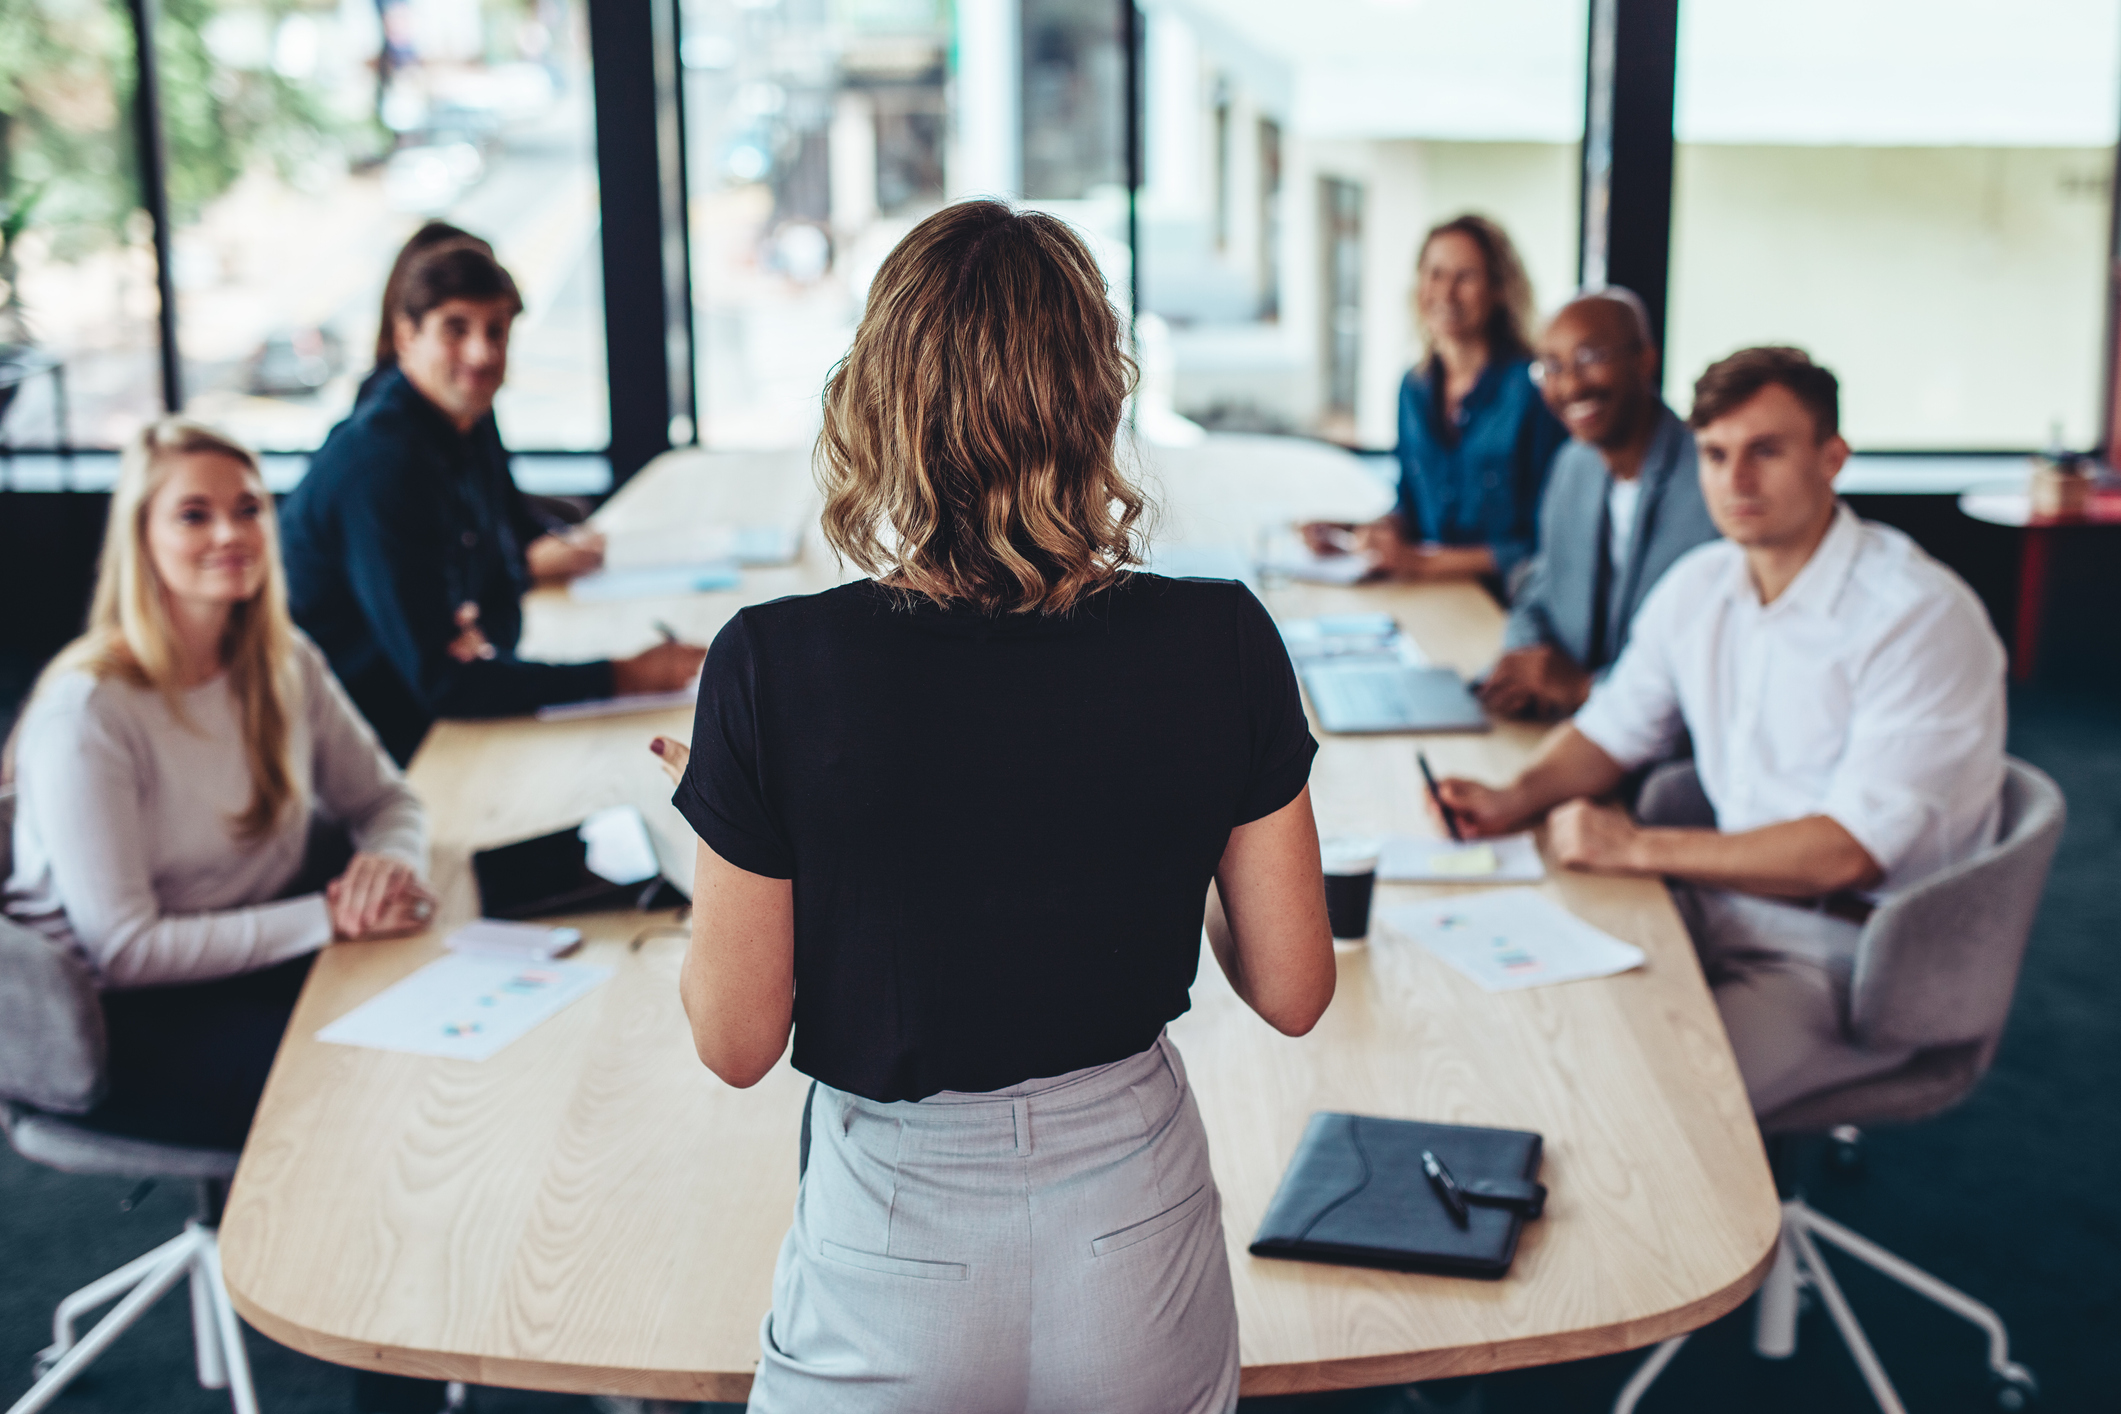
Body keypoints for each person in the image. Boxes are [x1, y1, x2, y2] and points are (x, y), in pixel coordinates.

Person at [647, 199, 1337, 1414]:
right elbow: (1292, 987)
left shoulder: (770, 664)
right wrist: (1191, 819)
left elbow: (734, 1041)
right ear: (1098, 399)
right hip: (1136, 1222)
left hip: (893, 1239)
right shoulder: (1221, 637)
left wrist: (735, 822)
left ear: (880, 398)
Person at [1432, 348, 2006, 1115]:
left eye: (1764, 452)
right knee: (1523, 1035)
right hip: (1711, 904)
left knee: (1641, 1117)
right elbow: (1611, 729)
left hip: (1847, 956)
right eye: (1713, 454)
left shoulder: (1916, 616)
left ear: (1830, 458)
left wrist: (1638, 848)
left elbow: (1846, 851)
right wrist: (1513, 796)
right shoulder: (1699, 586)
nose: (1734, 482)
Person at [4, 417, 433, 1152]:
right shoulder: (90, 711)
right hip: (113, 1019)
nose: (230, 533)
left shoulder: (283, 661)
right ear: (142, 539)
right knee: (367, 1086)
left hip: (246, 950)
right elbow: (125, 949)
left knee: (431, 1014)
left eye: (248, 509)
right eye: (194, 515)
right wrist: (328, 918)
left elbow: (389, 799)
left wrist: (390, 864)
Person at [281, 240, 705, 764]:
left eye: (496, 331)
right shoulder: (380, 466)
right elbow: (443, 684)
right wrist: (626, 675)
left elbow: (503, 583)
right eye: (455, 328)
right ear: (406, 336)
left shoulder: (467, 420)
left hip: (425, 712)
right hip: (360, 742)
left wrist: (478, 641)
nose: (482, 354)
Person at [1480, 289, 1720, 721]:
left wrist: (1584, 689)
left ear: (1645, 360)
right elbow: (1539, 590)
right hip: (1568, 725)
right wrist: (1525, 660)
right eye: (1552, 367)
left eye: (1590, 356)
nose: (1570, 384)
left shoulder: (1712, 482)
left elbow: (1709, 667)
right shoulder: (1573, 466)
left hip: (1656, 745)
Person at [1303, 214, 1565, 585]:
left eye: (1465, 276)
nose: (1445, 292)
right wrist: (1356, 532)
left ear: (1498, 288)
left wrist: (1421, 563)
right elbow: (1411, 506)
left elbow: (1544, 543)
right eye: (1435, 274)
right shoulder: (1413, 389)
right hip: (1433, 594)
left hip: (1503, 602)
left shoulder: (1534, 392)